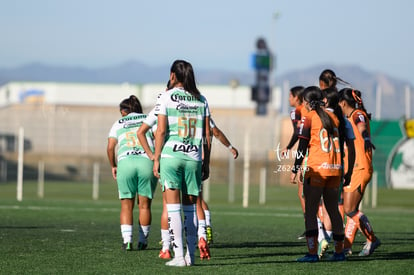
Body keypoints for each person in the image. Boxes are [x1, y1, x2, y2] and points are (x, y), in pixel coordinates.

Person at [138, 59, 211, 267]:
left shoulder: (167, 96)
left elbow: (160, 131)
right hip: (194, 158)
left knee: (172, 209)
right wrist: (207, 162)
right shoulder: (201, 99)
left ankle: (178, 257)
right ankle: (191, 256)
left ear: (172, 76)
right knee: (190, 210)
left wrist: (156, 157)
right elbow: (207, 135)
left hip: (171, 157)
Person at [290, 86, 345, 262]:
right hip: (335, 169)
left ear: (307, 102)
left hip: (317, 170)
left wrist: (295, 168)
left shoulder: (310, 117)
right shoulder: (335, 117)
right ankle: (339, 252)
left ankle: (312, 254)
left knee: (311, 211)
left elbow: (302, 145)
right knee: (334, 211)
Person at [106, 95, 158, 251]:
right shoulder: (148, 118)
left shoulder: (118, 123)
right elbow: (159, 136)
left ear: (123, 111)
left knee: (126, 206)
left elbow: (110, 147)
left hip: (125, 162)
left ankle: (127, 242)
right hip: (146, 161)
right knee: (144, 206)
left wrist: (113, 165)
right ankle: (142, 241)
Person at [338, 88, 381, 257]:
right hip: (354, 168)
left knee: (349, 209)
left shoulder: (357, 114)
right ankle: (346, 247)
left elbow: (362, 125)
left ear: (343, 103)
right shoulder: (348, 117)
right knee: (351, 210)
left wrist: (367, 138)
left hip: (360, 168)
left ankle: (372, 239)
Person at [281, 86, 306, 239]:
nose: (289, 98)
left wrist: (289, 147)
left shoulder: (297, 112)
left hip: (309, 155)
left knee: (303, 193)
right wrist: (289, 147)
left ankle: (313, 225)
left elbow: (299, 133)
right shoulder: (310, 110)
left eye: (290, 96)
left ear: (297, 97)